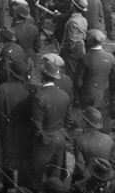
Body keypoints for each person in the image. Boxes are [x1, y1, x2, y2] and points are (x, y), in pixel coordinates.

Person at [32, 60, 71, 188]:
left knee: (37, 174)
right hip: (60, 138)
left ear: (42, 76)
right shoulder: (64, 95)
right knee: (55, 176)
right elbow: (68, 120)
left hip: (45, 140)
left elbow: (36, 125)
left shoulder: (39, 96)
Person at [0, 60, 35, 187]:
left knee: (8, 163)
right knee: (24, 163)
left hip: (9, 131)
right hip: (26, 131)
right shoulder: (31, 88)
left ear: (11, 73)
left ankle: (8, 188)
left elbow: (0, 113)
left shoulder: (3, 88)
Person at [72, 107, 114, 188]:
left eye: (82, 119)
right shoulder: (109, 139)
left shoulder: (79, 139)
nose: (80, 121)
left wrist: (89, 181)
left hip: (88, 178)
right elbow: (113, 165)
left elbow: (80, 165)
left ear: (85, 122)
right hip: (105, 178)